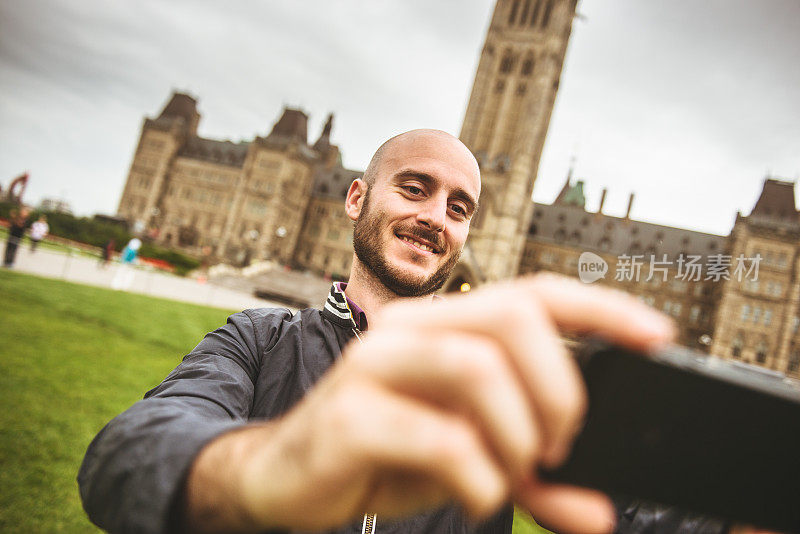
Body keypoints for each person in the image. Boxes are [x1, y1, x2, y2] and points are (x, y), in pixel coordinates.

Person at [79, 130, 689, 534]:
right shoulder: (262, 341)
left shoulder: (503, 392)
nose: (433, 218)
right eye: (414, 188)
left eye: (458, 208)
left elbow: (644, 512)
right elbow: (124, 455)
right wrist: (263, 469)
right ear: (356, 199)